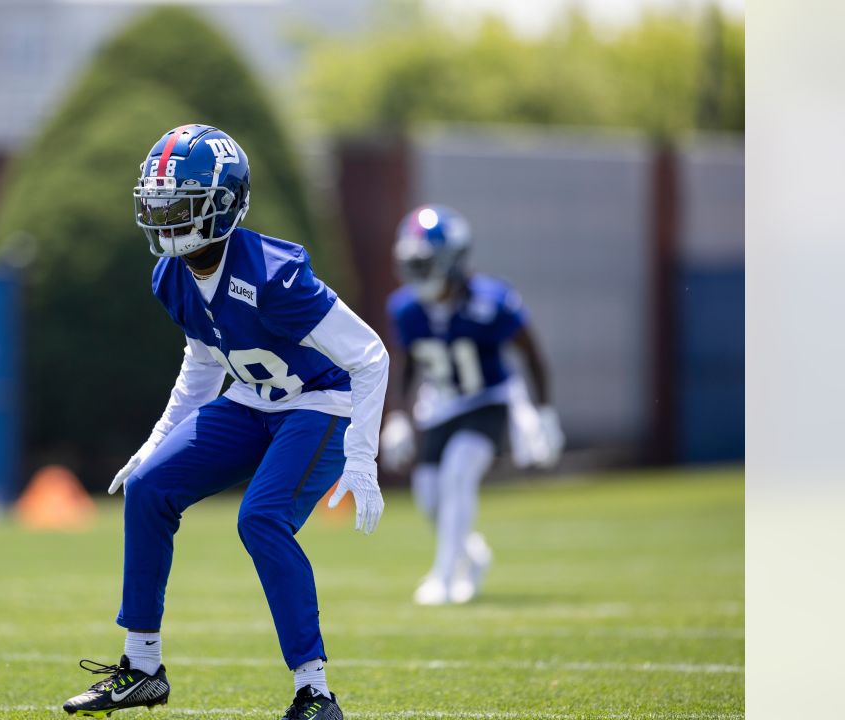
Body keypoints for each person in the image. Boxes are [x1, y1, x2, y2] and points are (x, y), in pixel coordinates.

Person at [61, 125, 388, 720]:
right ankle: (142, 668)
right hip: (255, 399)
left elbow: (369, 357)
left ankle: (315, 692)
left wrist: (363, 454)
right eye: (157, 202)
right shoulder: (171, 275)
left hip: (318, 402)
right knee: (147, 488)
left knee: (260, 518)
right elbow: (204, 359)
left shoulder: (274, 272)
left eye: (178, 202)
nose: (164, 217)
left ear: (222, 203)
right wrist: (157, 443)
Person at [379, 205, 564, 606]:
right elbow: (407, 363)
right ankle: (472, 556)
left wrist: (542, 413)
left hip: (489, 401)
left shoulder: (492, 301)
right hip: (440, 405)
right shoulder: (406, 309)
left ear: (452, 260)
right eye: (412, 263)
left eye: (425, 262)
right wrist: (397, 416)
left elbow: (532, 356)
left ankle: (443, 578)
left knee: (459, 471)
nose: (418, 272)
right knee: (429, 495)